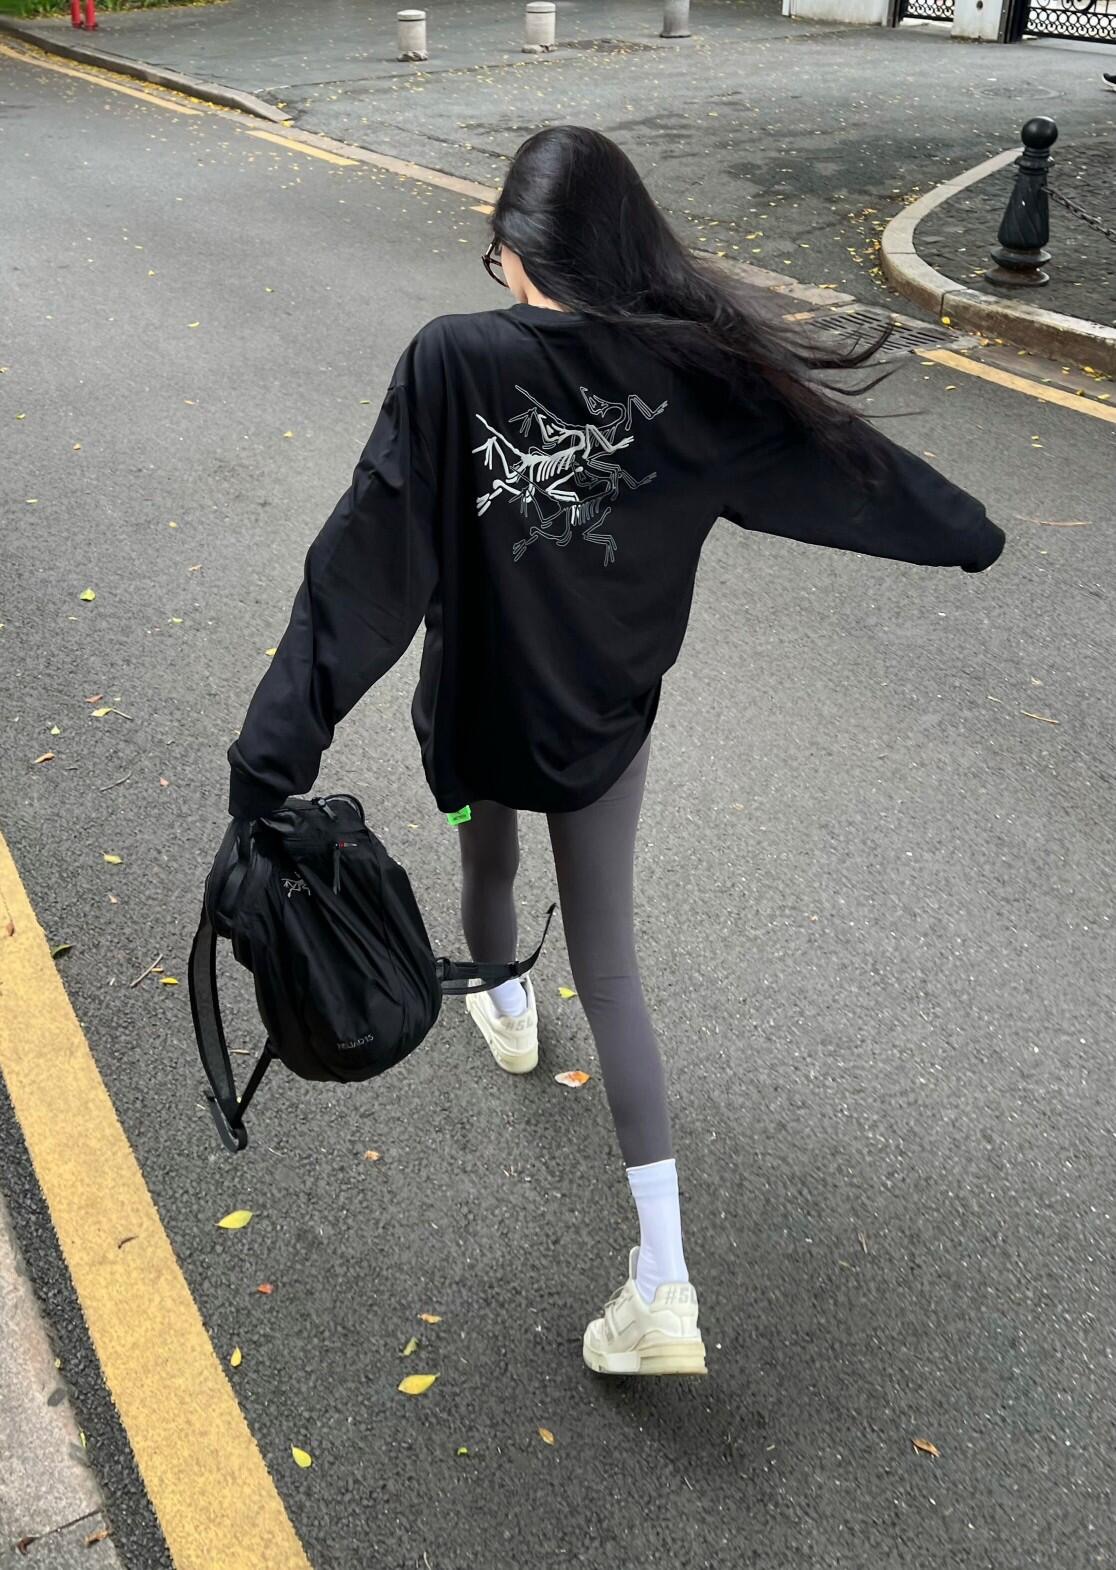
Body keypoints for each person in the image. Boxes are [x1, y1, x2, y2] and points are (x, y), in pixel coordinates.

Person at [225, 125, 1005, 1378]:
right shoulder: (690, 374)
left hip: (474, 724)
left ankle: (507, 1013)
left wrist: (271, 754)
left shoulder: (452, 361)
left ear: (522, 250)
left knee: (484, 868)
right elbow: (839, 470)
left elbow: (363, 566)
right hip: (603, 730)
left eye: (498, 252)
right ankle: (665, 1284)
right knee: (615, 970)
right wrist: (964, 531)